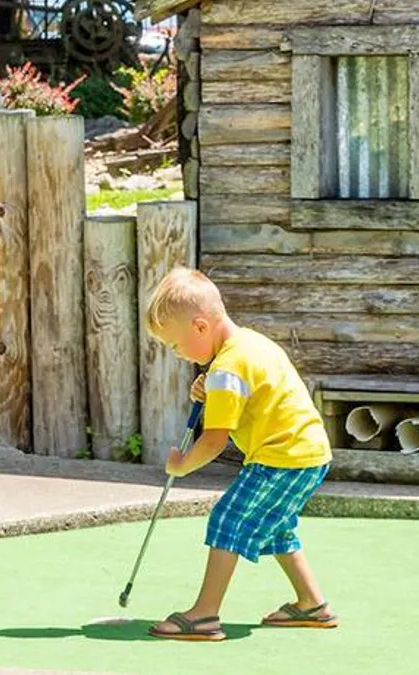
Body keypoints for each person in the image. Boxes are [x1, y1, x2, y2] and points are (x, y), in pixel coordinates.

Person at [143, 266, 334, 642]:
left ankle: (204, 615)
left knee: (227, 519)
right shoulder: (248, 345)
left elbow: (214, 441)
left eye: (176, 345)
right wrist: (213, 388)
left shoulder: (226, 368)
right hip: (307, 452)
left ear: (200, 327)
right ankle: (312, 603)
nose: (179, 355)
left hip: (282, 457)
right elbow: (251, 394)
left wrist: (181, 466)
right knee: (277, 527)